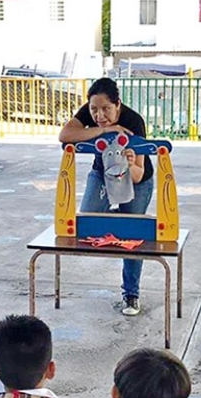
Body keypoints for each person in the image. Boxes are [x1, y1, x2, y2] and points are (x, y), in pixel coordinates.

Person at [58, 77, 154, 317]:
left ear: (118, 104)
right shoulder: (92, 114)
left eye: (106, 109)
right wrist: (106, 129)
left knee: (132, 234)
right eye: (94, 109)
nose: (99, 114)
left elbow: (139, 173)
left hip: (135, 179)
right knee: (87, 224)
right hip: (102, 173)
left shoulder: (134, 121)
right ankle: (118, 219)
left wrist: (128, 164)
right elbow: (65, 135)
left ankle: (131, 294)